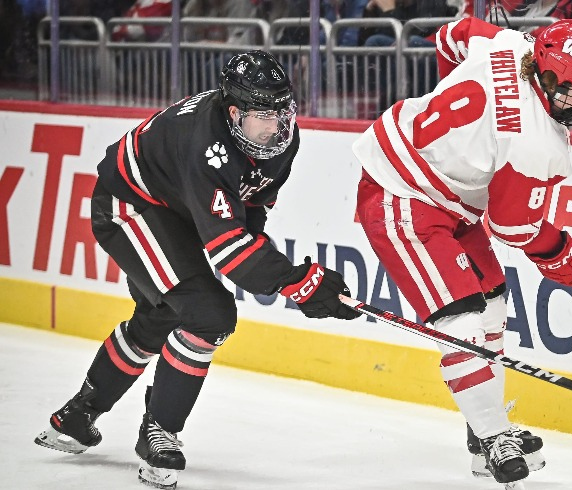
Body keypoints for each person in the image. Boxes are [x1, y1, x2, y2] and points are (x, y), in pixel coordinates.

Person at [33, 50, 360, 490]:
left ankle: (75, 417)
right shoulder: (206, 145)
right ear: (233, 112)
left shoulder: (281, 138)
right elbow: (229, 251)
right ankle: (159, 433)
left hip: (174, 204)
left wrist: (295, 281)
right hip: (130, 206)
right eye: (263, 114)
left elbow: (249, 212)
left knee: (167, 312)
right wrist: (297, 282)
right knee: (209, 314)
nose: (276, 125)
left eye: (282, 110)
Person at [352, 17, 572, 486]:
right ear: (545, 74)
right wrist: (557, 250)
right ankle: (494, 439)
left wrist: (450, 99)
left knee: (492, 308)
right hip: (401, 195)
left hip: (450, 198)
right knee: (463, 322)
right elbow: (512, 227)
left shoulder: (509, 44)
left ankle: (483, 433)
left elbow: (451, 34)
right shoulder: (535, 142)